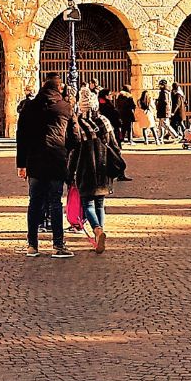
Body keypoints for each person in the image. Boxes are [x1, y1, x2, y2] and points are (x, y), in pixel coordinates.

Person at [16, 73, 80, 258]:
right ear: (59, 88)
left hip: (34, 160)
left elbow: (21, 137)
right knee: (55, 202)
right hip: (56, 159)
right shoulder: (65, 107)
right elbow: (76, 137)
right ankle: (58, 245)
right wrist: (66, 151)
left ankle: (32, 245)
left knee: (34, 203)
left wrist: (21, 164)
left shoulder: (29, 107)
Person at [69, 82, 125, 253]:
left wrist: (69, 173)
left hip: (85, 168)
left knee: (88, 204)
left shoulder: (78, 124)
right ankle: (100, 233)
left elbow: (73, 151)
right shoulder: (104, 121)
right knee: (100, 204)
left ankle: (97, 230)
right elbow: (115, 145)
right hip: (103, 167)